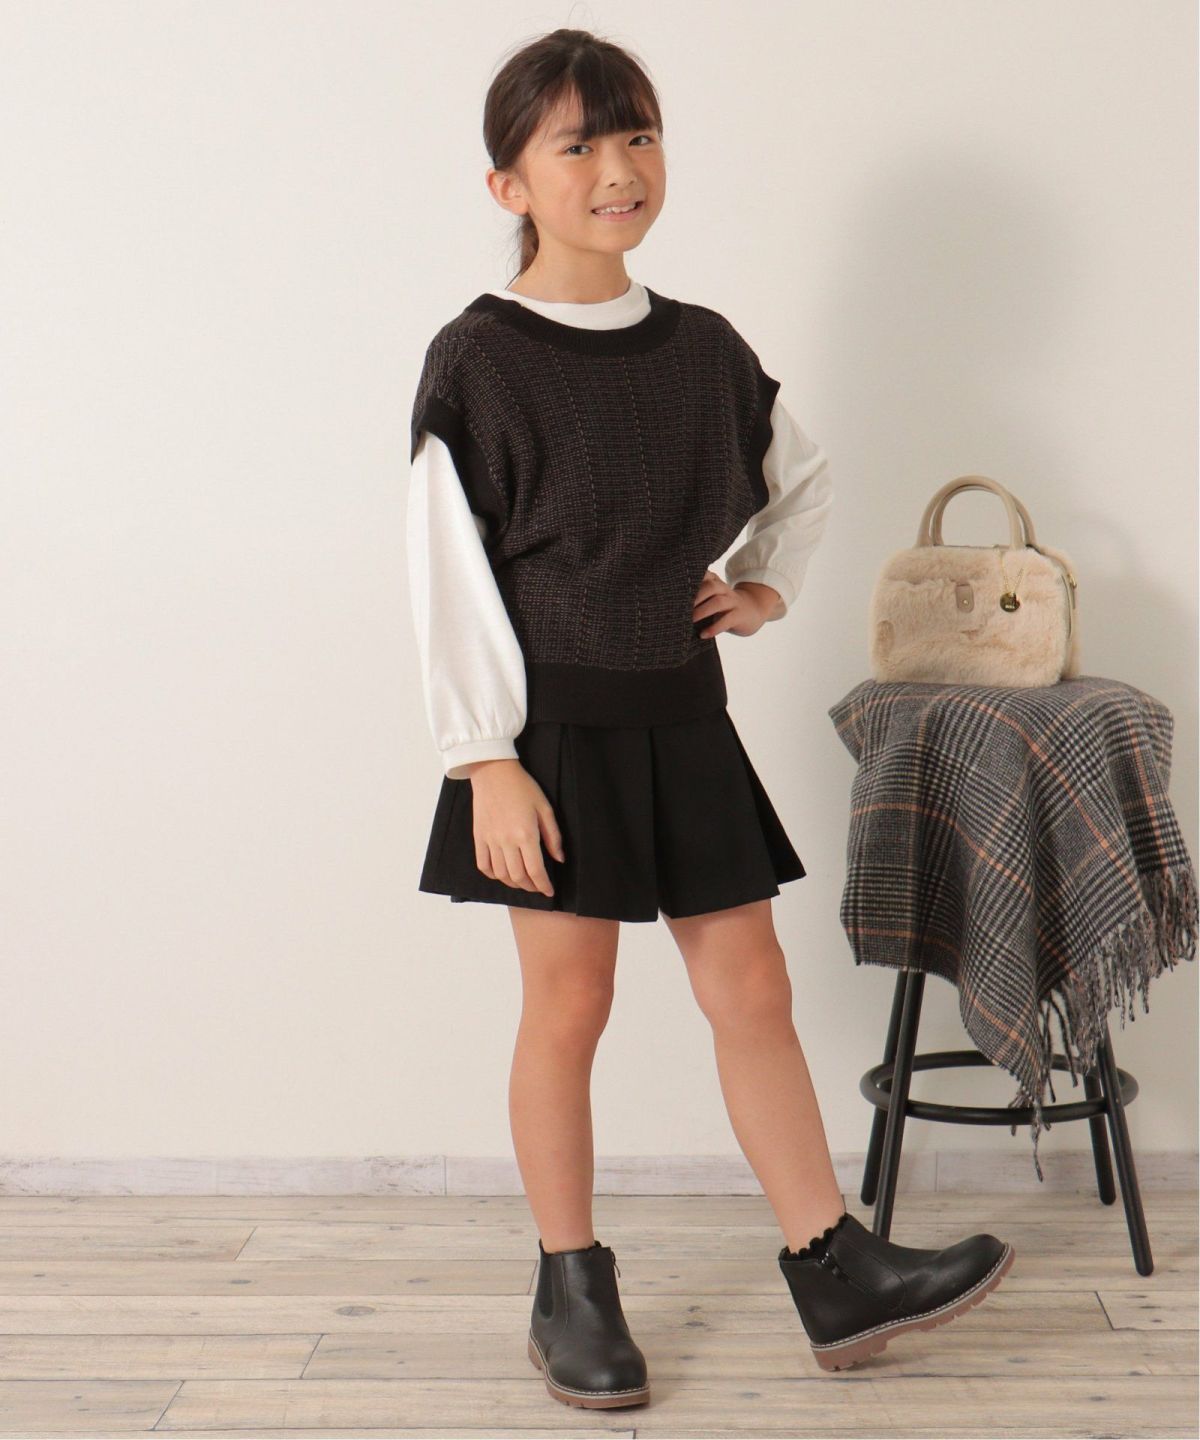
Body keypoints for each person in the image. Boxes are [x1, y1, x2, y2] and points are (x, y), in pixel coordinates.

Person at [406, 26, 1014, 1412]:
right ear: (510, 185)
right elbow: (445, 570)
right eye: (578, 144)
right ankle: (571, 1287)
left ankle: (833, 1266)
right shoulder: (479, 358)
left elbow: (802, 476)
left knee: (753, 990)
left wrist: (763, 587)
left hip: (683, 715)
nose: (618, 168)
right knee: (571, 1002)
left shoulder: (702, 349)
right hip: (548, 733)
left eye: (639, 136)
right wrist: (483, 758)